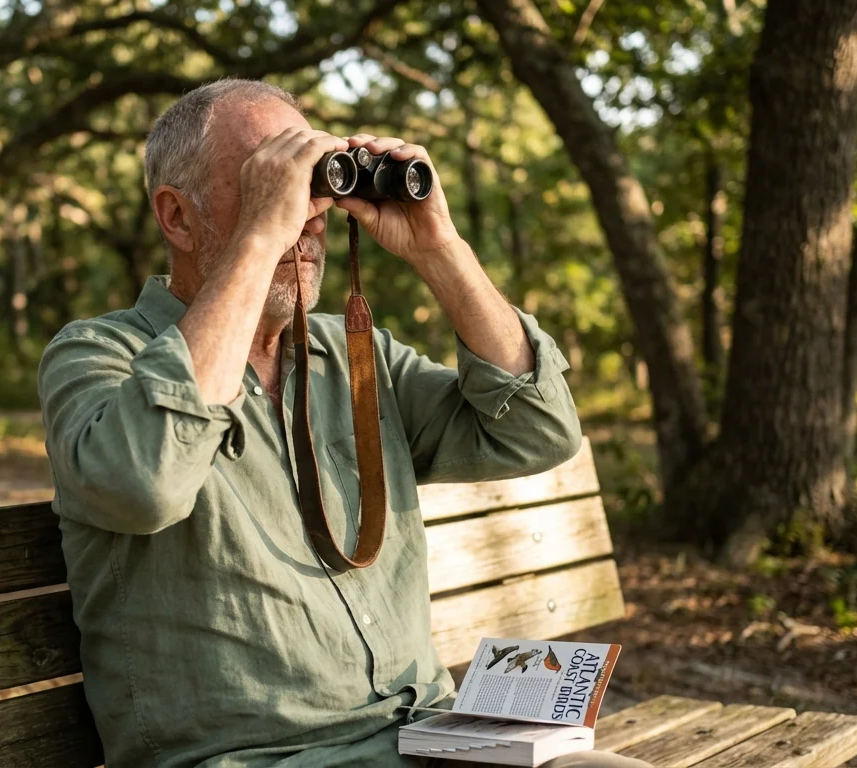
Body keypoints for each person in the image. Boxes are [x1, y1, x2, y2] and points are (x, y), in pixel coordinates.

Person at [38, 78, 640, 768]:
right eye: (271, 181)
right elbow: (144, 483)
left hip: (425, 738)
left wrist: (436, 245)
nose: (307, 217)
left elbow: (537, 431)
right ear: (176, 217)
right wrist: (264, 234)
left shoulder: (355, 356)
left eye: (313, 184)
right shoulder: (96, 356)